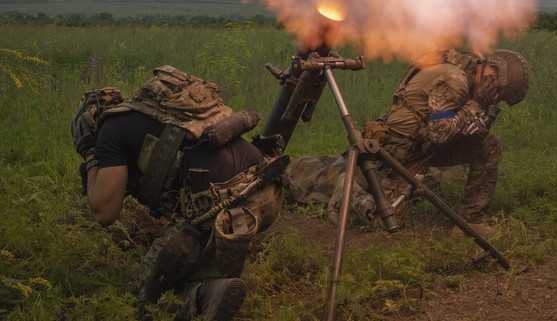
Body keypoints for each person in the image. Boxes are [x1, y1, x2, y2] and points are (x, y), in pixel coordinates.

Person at [75, 66, 285, 321]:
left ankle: (206, 295)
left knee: (152, 296)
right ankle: (217, 282)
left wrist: (90, 154)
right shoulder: (154, 114)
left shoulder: (110, 130)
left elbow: (104, 212)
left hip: (221, 202)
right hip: (266, 191)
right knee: (203, 257)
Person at [286, 48, 529, 235]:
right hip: (402, 149)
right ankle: (347, 189)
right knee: (385, 220)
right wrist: (476, 105)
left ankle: (471, 221)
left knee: (489, 145)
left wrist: (478, 124)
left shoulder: (470, 70)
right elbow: (441, 133)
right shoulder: (455, 80)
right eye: (498, 93)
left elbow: (450, 130)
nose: (495, 99)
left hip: (427, 144)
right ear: (491, 76)